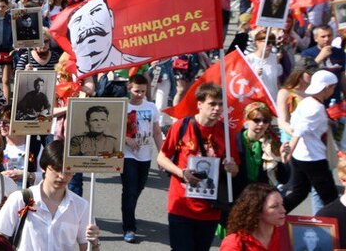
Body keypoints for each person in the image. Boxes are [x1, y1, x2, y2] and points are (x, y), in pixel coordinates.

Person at [156, 83, 240, 251]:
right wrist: (182, 172)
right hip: (181, 205)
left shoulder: (226, 132)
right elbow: (161, 157)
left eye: (220, 104)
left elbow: (235, 170)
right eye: (212, 104)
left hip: (210, 208)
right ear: (199, 104)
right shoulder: (182, 126)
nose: (217, 108)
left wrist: (231, 168)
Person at [0, 141, 101, 250]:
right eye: (57, 169)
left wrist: (94, 243)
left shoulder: (81, 206)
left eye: (68, 171)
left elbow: (85, 246)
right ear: (44, 167)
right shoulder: (19, 199)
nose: (62, 176)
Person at [284, 69, 339, 213]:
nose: (333, 90)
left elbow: (295, 123)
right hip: (314, 159)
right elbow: (300, 130)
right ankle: (336, 229)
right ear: (326, 88)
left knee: (299, 193)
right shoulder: (316, 108)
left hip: (300, 157)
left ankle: (274, 214)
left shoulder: (306, 101)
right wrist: (289, 150)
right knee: (331, 199)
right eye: (333, 87)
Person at [122, 73, 164, 243]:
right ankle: (129, 227)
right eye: (137, 91)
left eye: (143, 92)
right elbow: (112, 129)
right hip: (127, 154)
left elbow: (156, 131)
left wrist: (162, 153)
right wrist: (126, 139)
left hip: (145, 155)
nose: (140, 95)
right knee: (130, 190)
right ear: (129, 88)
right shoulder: (123, 106)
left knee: (139, 188)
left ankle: (128, 210)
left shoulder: (151, 107)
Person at [218, 183, 287, 250]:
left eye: (282, 204)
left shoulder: (287, 235)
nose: (283, 210)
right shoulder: (235, 243)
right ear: (256, 211)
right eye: (274, 206)